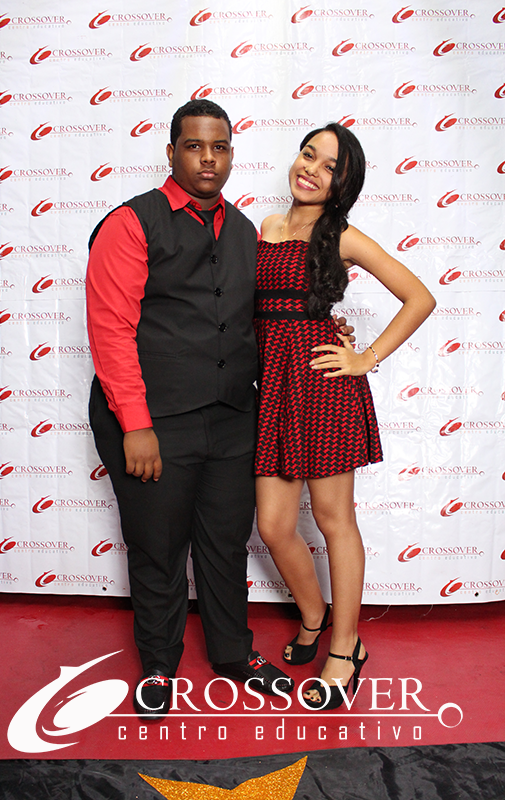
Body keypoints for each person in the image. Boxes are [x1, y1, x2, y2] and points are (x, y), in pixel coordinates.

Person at [85, 99, 304, 717]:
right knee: (158, 545)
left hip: (232, 417)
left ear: (231, 154)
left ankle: (233, 653)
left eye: (220, 147)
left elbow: (258, 321)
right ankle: (158, 663)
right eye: (195, 146)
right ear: (172, 152)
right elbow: (111, 332)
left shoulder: (245, 230)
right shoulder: (131, 223)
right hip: (153, 420)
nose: (209, 159)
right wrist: (136, 426)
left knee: (224, 542)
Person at [253, 122, 436, 710]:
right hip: (271, 390)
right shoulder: (265, 228)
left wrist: (364, 357)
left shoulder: (343, 236)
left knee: (335, 522)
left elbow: (420, 297)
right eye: (309, 155)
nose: (312, 169)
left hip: (323, 388)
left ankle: (345, 644)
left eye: (330, 166)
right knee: (274, 526)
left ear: (343, 184)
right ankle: (313, 614)